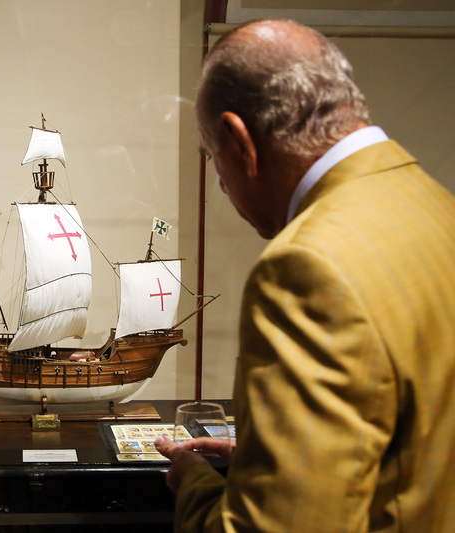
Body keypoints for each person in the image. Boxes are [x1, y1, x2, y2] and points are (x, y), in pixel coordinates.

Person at [155, 18, 455, 532]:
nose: (223, 189)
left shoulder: (306, 267)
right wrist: (273, 459)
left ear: (238, 139)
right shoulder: (436, 207)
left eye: (213, 161)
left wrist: (194, 483)